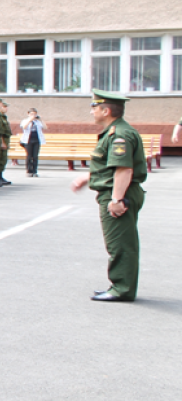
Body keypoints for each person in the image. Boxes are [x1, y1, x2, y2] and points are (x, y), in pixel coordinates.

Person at [69, 91, 147, 302]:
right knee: (120, 242)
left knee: (120, 244)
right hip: (119, 191)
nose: (92, 111)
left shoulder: (119, 135)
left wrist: (116, 200)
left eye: (94, 107)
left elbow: (123, 170)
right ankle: (120, 285)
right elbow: (107, 165)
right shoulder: (114, 131)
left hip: (120, 193)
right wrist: (87, 178)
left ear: (106, 110)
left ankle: (121, 289)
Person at [20, 109, 46, 177]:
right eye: (31, 114)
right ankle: (29, 171)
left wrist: (41, 120)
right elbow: (24, 127)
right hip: (28, 140)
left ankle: (35, 171)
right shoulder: (25, 121)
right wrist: (29, 120)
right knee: (29, 156)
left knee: (35, 156)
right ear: (28, 114)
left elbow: (45, 127)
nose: (33, 115)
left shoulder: (38, 121)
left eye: (34, 114)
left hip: (36, 140)